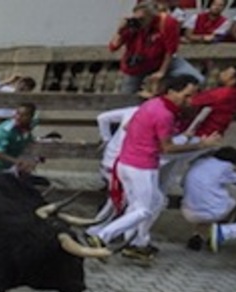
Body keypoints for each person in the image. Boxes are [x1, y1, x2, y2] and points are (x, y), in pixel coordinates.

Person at [84, 75, 221, 264]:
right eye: (187, 96)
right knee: (143, 210)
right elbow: (167, 148)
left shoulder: (152, 104)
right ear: (172, 91)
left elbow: (129, 126)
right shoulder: (165, 113)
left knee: (154, 201)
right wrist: (201, 144)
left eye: (193, 96)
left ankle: (137, 244)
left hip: (127, 163)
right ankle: (101, 237)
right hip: (141, 167)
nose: (190, 101)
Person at [110, 1, 201, 95]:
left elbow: (170, 50)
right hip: (137, 65)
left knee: (196, 78)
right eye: (137, 18)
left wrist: (162, 72)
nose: (140, 22)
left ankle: (165, 90)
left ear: (151, 16)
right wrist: (120, 30)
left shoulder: (166, 22)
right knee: (127, 95)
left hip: (160, 60)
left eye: (142, 19)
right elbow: (113, 47)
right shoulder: (132, 25)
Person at [179, 147, 236, 251]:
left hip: (187, 210)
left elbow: (182, 183)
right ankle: (220, 233)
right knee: (233, 202)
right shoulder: (227, 167)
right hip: (211, 211)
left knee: (209, 202)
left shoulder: (199, 162)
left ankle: (198, 235)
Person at [0, 103, 38, 175]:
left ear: (30, 117)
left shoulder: (31, 124)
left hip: (8, 167)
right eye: (18, 114)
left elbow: (28, 137)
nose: (18, 117)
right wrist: (17, 161)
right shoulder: (6, 130)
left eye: (23, 115)